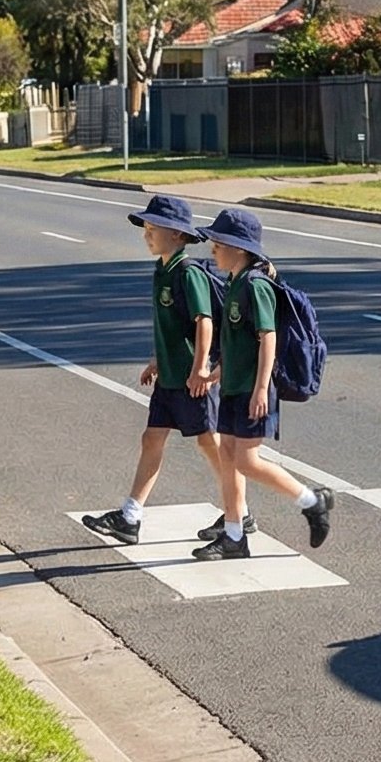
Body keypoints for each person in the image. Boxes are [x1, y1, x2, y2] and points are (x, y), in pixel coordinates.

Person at [79, 195, 245, 550]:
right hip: (169, 376)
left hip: (191, 379)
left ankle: (240, 512)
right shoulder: (162, 270)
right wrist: (156, 358)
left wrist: (201, 366)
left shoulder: (188, 273)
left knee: (210, 443)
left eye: (153, 229)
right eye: (146, 229)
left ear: (176, 235)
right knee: (152, 438)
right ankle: (130, 516)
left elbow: (205, 322)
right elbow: (169, 324)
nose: (146, 235)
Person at [191, 207, 334, 560]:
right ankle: (234, 536)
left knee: (247, 461)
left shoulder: (256, 285)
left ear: (238, 248)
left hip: (254, 389)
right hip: (233, 387)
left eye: (218, 243)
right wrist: (215, 374)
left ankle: (313, 501)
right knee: (228, 457)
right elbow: (237, 343)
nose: (212, 248)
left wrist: (260, 389)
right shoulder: (235, 282)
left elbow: (267, 337)